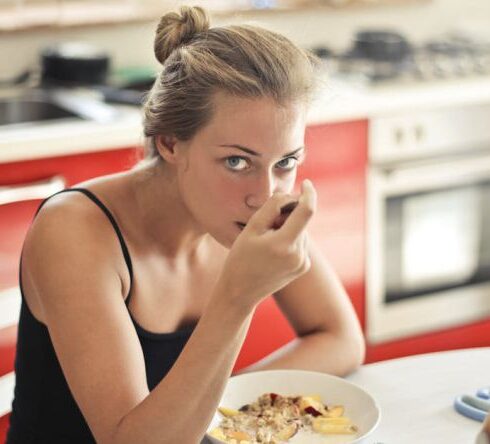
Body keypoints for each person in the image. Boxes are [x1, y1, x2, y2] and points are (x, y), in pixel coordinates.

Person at [6, 5, 365, 443]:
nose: (266, 193)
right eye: (236, 161)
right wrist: (238, 296)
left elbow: (341, 338)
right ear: (171, 143)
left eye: (286, 161)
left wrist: (222, 410)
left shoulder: (250, 208)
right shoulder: (75, 232)